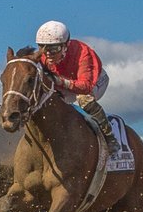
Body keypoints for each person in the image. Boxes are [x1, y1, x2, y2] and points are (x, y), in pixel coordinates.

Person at [34, 20, 119, 154]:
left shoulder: (83, 54)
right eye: (43, 47)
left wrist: (60, 82)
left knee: (84, 99)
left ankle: (110, 137)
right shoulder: (43, 57)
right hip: (65, 83)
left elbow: (86, 86)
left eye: (54, 49)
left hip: (94, 82)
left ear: (65, 46)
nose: (48, 54)